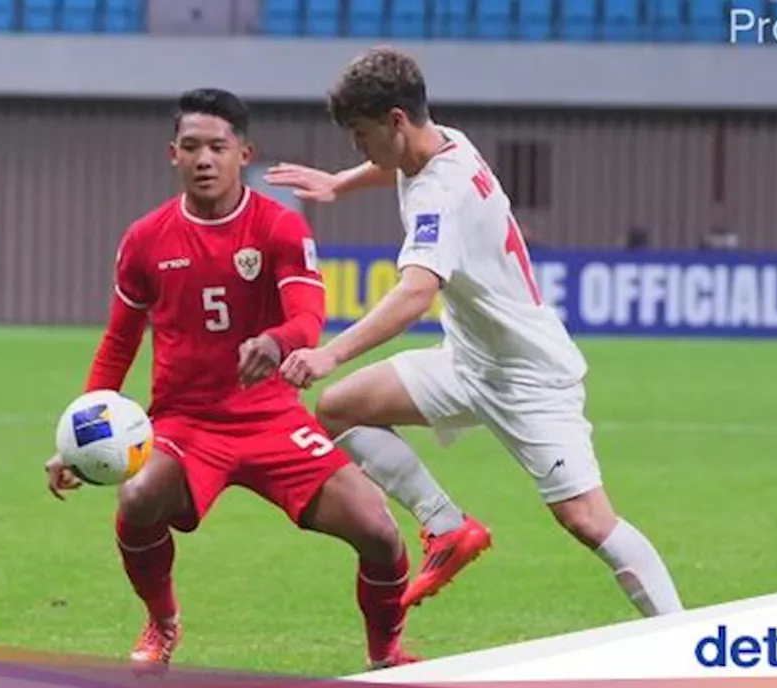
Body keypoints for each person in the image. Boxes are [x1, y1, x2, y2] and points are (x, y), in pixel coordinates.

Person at [265, 47, 684, 618]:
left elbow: (415, 293)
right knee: (340, 410)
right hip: (467, 362)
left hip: (527, 376)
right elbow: (394, 163)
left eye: (360, 135)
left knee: (586, 520)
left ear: (395, 120)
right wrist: (342, 182)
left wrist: (329, 353)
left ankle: (679, 637)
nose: (357, 147)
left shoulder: (441, 193)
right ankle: (447, 527)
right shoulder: (445, 140)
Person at [43, 88, 417, 675]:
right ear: (173, 154)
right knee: (137, 498)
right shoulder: (145, 239)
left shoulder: (279, 228)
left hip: (273, 418)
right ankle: (162, 622)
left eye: (217, 146)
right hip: (184, 424)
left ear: (245, 152)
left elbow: (307, 317)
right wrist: (77, 441)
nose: (204, 159)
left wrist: (277, 342)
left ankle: (385, 653)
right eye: (191, 147)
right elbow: (119, 341)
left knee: (378, 530)